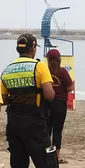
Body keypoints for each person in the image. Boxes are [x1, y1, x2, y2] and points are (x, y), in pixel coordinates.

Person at [1, 33, 58, 168]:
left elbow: (2, 99)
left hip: (13, 123)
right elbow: (49, 95)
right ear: (33, 47)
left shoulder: (7, 70)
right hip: (35, 122)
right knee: (47, 159)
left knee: (18, 162)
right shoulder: (39, 66)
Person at [46, 49, 74, 164]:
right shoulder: (62, 72)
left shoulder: (45, 70)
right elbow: (69, 88)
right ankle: (57, 156)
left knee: (47, 129)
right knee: (57, 130)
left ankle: (47, 153)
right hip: (60, 103)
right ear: (59, 59)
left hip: (47, 102)